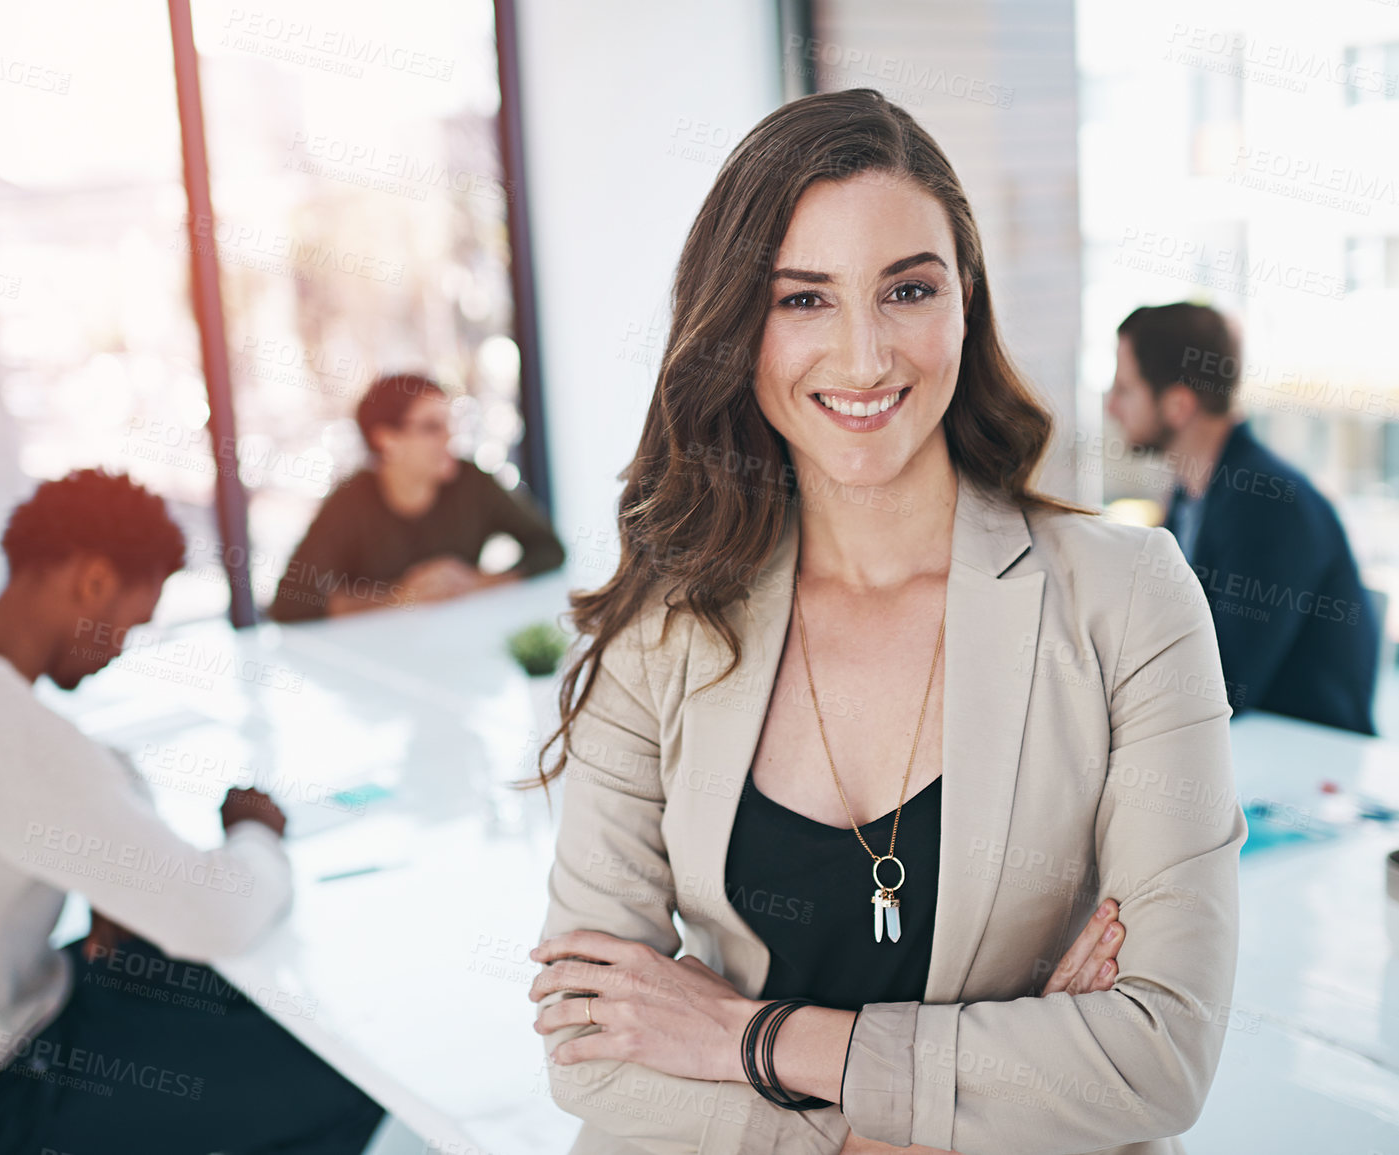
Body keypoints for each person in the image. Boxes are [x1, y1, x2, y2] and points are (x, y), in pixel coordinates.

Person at [527, 89, 1244, 1155]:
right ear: (736, 324)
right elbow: (592, 1049)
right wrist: (985, 1084)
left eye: (907, 289)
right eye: (803, 300)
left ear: (967, 304)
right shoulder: (663, 625)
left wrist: (746, 1038)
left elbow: (1156, 1058)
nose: (864, 359)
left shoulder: (1127, 596)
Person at [0, 469, 385, 1154]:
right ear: (91, 582)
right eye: (130, 622)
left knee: (224, 990)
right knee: (345, 1076)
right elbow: (217, 914)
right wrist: (254, 829)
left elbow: (65, 776)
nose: (120, 648)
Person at [1107, 302, 1380, 735]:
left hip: (1305, 761)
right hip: (1252, 750)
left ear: (1178, 403)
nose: (1110, 406)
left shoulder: (1269, 503)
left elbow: (1224, 681)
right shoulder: (1192, 494)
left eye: (1124, 389)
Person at [269, 373, 566, 621]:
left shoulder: (473, 482)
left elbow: (550, 549)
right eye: (431, 427)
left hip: (463, 644)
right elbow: (289, 603)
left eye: (450, 425)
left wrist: (475, 583)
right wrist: (398, 597)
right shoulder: (349, 502)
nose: (449, 438)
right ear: (386, 440)